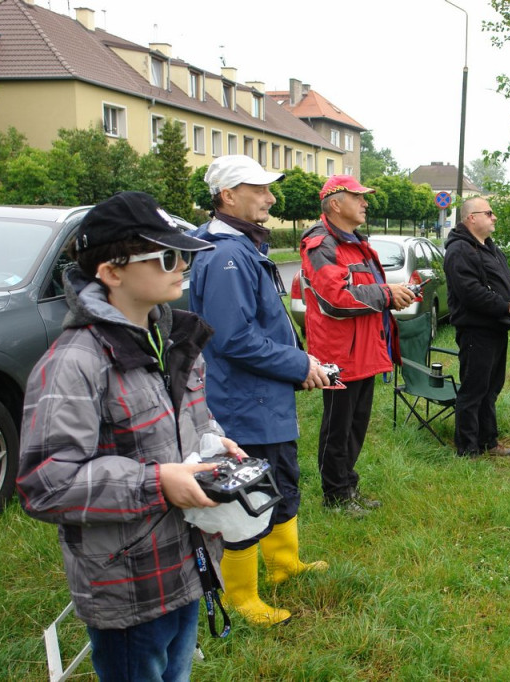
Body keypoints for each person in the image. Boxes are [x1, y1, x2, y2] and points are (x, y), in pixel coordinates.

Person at [16, 191, 243, 681]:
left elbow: (190, 420)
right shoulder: (74, 363)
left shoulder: (176, 338)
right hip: (127, 584)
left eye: (183, 254)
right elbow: (44, 482)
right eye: (165, 256)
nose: (181, 266)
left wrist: (212, 441)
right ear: (111, 272)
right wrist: (156, 481)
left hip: (187, 563)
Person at [190, 155, 329, 627]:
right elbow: (233, 339)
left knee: (281, 479)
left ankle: (284, 565)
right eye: (260, 188)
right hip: (244, 402)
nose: (271, 197)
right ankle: (244, 597)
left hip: (264, 397)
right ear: (228, 196)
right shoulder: (225, 254)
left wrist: (298, 364)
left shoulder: (243, 247)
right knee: (248, 494)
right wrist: (300, 363)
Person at [300, 175, 414, 516]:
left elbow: (366, 293)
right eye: (358, 196)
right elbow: (334, 298)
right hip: (338, 355)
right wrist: (385, 294)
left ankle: (348, 486)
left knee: (355, 426)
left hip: (364, 350)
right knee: (338, 428)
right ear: (336, 203)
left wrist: (392, 296)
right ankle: (335, 497)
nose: (365, 202)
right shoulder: (322, 244)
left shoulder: (355, 243)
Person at [443, 197, 510, 458]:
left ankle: (488, 440)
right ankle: (467, 448)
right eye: (489, 213)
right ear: (471, 218)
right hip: (476, 330)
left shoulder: (488, 246)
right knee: (473, 389)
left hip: (496, 328)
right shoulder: (460, 250)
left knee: (492, 387)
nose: (494, 217)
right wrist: (506, 307)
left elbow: (504, 282)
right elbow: (470, 292)